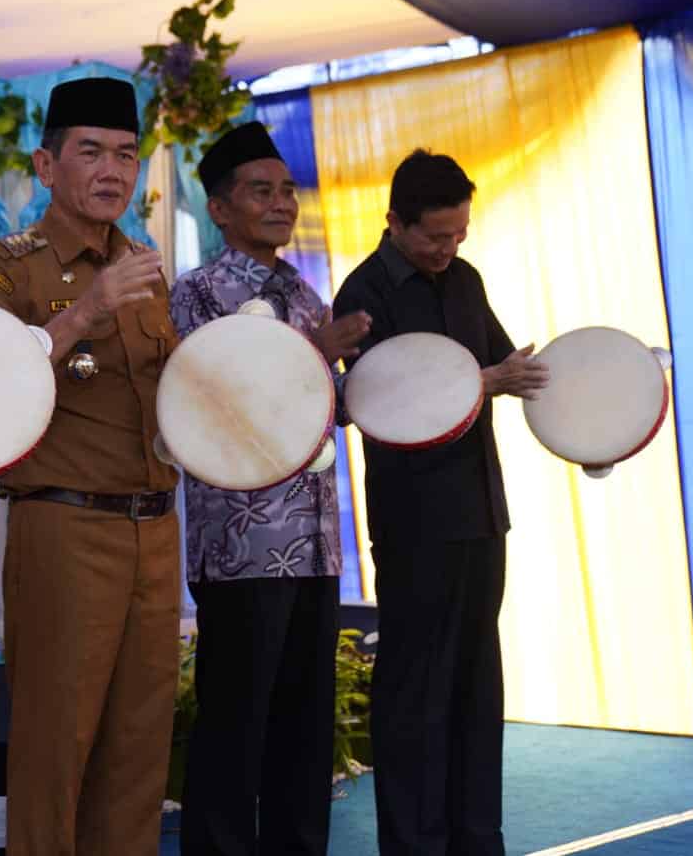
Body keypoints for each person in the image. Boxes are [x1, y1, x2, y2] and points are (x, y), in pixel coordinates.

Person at [0, 76, 179, 856]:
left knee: (140, 750)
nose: (112, 170)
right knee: (54, 746)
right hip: (64, 524)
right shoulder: (4, 268)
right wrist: (85, 312)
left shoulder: (148, 269)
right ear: (46, 165)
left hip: (154, 531)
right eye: (90, 151)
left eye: (125, 154)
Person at [330, 149, 548, 856]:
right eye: (434, 236)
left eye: (458, 233)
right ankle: (414, 844)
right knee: (415, 692)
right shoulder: (363, 295)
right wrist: (486, 381)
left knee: (478, 687)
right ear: (394, 221)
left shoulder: (466, 279)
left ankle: (478, 839)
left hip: (483, 515)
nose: (447, 248)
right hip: (416, 522)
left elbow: (508, 365)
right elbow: (385, 400)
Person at [170, 122, 371, 855]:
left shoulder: (303, 290)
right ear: (220, 208)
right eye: (262, 191)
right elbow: (218, 400)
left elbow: (324, 405)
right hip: (243, 548)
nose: (282, 203)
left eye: (287, 190)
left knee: (304, 733)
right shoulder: (196, 294)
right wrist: (317, 352)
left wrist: (390, 386)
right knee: (234, 731)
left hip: (315, 546)